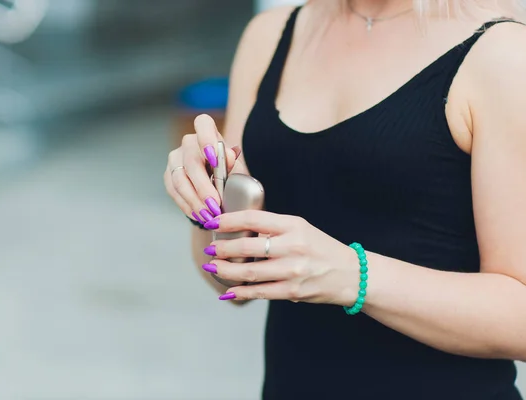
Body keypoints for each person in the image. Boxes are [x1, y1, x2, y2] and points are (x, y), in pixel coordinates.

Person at [164, 1, 526, 398]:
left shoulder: (501, 54)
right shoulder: (269, 36)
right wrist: (205, 201)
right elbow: (230, 280)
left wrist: (352, 275)